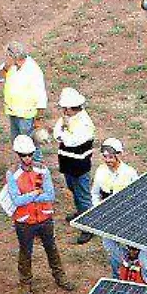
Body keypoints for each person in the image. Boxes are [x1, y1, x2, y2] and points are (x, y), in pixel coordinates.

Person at [0, 134, 71, 294]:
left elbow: (50, 195)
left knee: (52, 248)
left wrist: (29, 196)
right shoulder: (12, 174)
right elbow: (16, 200)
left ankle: (60, 277)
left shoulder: (42, 169)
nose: (27, 158)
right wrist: (37, 193)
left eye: (30, 154)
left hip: (44, 218)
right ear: (18, 154)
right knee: (25, 253)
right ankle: (25, 284)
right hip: (25, 221)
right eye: (24, 155)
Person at [93, 139, 147, 282]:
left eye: (110, 157)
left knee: (143, 256)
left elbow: (140, 196)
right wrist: (98, 210)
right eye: (105, 157)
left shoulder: (129, 173)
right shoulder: (100, 172)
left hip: (132, 218)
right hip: (108, 218)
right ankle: (120, 275)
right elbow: (95, 194)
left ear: (119, 155)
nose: (107, 160)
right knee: (110, 246)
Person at [52, 88, 96, 236]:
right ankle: (81, 213)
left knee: (83, 195)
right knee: (73, 188)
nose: (63, 111)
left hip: (80, 166)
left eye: (65, 108)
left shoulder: (85, 122)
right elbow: (56, 133)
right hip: (67, 163)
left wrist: (64, 132)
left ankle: (89, 226)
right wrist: (64, 132)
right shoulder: (66, 117)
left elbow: (72, 142)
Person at [0, 42, 47, 142]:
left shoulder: (33, 70)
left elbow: (41, 97)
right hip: (13, 112)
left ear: (12, 56)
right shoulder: (9, 65)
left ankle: (35, 158)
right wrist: (6, 68)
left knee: (30, 144)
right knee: (16, 142)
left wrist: (39, 118)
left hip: (27, 115)